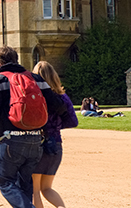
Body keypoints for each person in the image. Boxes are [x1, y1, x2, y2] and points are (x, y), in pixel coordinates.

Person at [0, 46, 69, 208]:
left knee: (6, 182)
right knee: (26, 185)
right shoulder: (35, 79)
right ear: (16, 60)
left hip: (10, 140)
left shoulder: (0, 79)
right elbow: (59, 105)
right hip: (35, 140)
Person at [31, 61, 78, 208]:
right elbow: (73, 121)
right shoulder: (62, 97)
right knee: (47, 188)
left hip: (38, 144)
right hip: (56, 144)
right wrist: (56, 126)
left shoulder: (35, 97)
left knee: (35, 191)